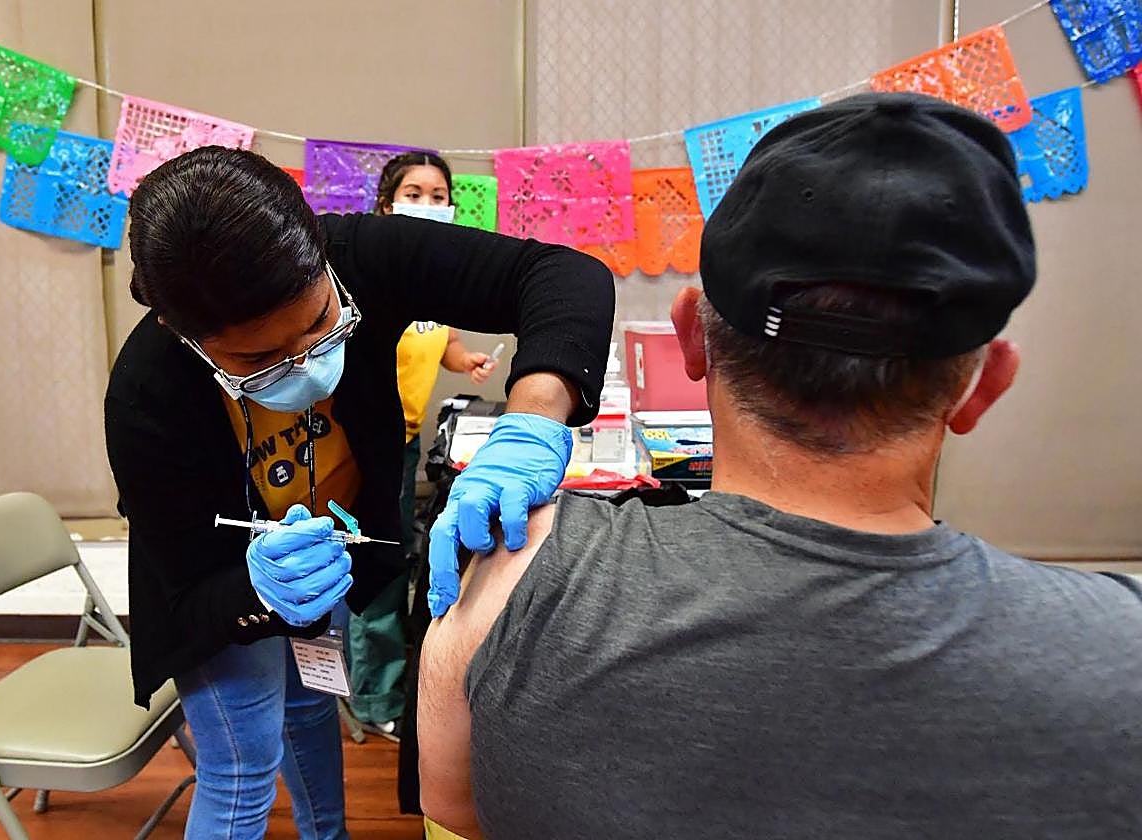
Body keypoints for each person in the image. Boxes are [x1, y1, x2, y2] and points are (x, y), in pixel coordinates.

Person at [416, 93, 1142, 839]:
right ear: (983, 386)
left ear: (691, 339)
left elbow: (453, 810)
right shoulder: (1123, 656)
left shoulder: (507, 586)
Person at [104, 146, 613, 839]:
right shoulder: (147, 394)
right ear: (183, 334)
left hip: (331, 548)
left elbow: (562, 275)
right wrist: (255, 592)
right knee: (242, 767)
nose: (306, 364)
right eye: (257, 359)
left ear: (319, 249)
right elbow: (186, 592)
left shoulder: (361, 255)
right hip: (225, 585)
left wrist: (530, 423)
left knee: (314, 703)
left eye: (320, 323)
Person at [346, 151, 499, 740]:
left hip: (406, 441)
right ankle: (375, 697)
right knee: (377, 568)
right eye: (415, 192)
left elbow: (444, 342)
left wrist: (468, 361)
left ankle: (389, 676)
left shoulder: (436, 278)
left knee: (395, 561)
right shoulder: (366, 271)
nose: (429, 204)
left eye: (439, 195)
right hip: (362, 444)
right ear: (387, 203)